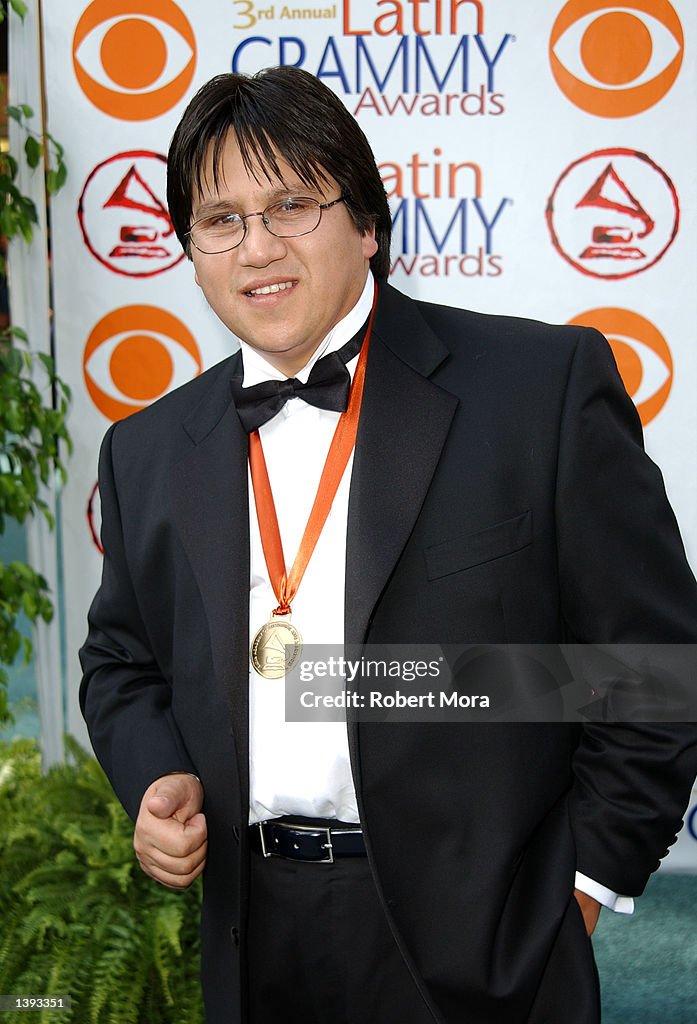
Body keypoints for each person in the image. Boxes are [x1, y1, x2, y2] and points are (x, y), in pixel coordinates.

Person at [80, 66, 697, 1024]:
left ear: (367, 224)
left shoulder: (539, 390)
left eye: (291, 204)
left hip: (488, 939)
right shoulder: (148, 450)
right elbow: (121, 661)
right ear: (191, 251)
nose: (257, 247)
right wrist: (156, 774)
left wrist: (578, 887)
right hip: (252, 940)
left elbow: (651, 671)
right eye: (221, 220)